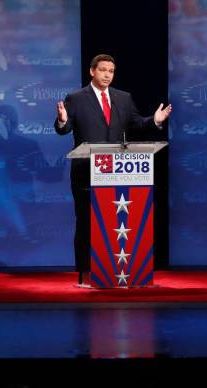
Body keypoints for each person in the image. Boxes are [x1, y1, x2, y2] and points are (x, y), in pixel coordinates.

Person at [54, 54, 171, 285]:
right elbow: (64, 128)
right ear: (92, 71)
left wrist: (154, 120)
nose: (107, 74)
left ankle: (118, 272)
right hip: (86, 173)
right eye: (103, 70)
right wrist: (62, 120)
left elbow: (136, 123)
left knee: (116, 223)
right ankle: (86, 273)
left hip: (118, 174)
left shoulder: (123, 98)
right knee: (87, 223)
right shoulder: (76, 98)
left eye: (111, 71)